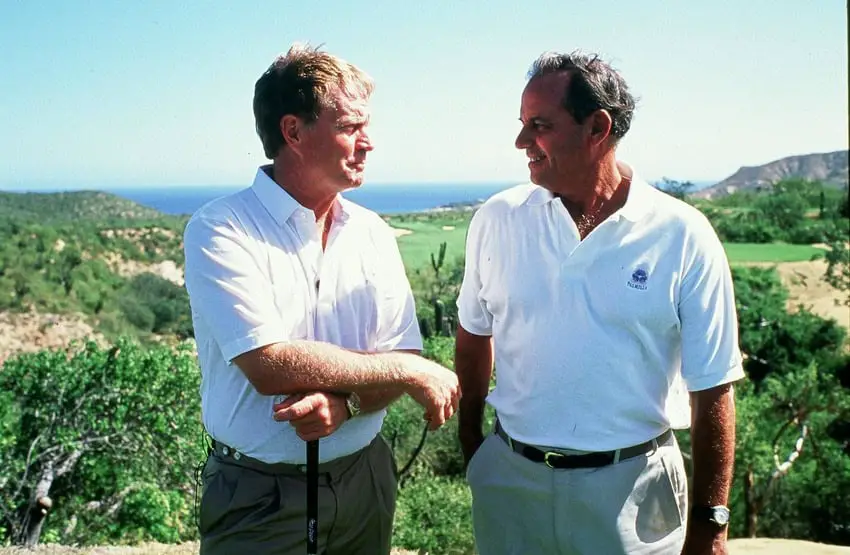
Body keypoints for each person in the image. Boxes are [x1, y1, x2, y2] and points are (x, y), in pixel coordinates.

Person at [455, 50, 744, 555]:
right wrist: (473, 448)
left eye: (539, 125)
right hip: (510, 485)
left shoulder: (682, 234)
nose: (522, 142)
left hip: (634, 498)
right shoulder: (497, 219)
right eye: (523, 124)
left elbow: (713, 387)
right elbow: (473, 335)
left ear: (598, 127)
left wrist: (710, 526)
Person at [183, 44, 460, 555]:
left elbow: (404, 350)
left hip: (365, 479)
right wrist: (405, 375)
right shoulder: (222, 229)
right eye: (351, 126)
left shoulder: (372, 232)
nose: (368, 143)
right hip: (257, 497)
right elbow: (270, 362)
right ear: (293, 131)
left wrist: (349, 404)